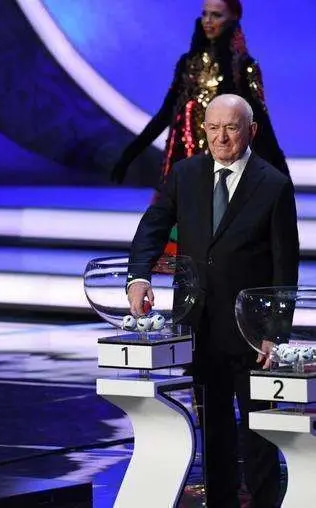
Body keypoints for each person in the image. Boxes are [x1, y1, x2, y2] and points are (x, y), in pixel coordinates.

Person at [126, 94, 299, 507]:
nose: (221, 137)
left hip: (251, 336)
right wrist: (138, 276)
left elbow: (284, 269)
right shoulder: (186, 174)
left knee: (258, 435)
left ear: (251, 131)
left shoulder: (273, 185)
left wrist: (275, 332)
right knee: (215, 431)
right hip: (199, 324)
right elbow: (153, 225)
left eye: (232, 128)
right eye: (213, 127)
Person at [112, 0, 288, 256]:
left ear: (234, 18)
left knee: (216, 235)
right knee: (178, 233)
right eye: (204, 14)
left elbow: (259, 118)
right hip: (182, 156)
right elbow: (166, 112)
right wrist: (129, 154)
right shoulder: (188, 63)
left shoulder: (244, 67)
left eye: (216, 15)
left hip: (221, 163)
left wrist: (280, 167)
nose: (208, 20)